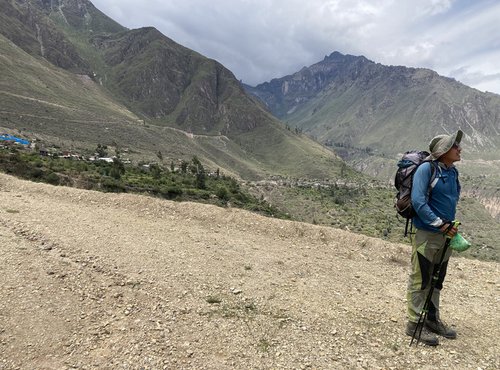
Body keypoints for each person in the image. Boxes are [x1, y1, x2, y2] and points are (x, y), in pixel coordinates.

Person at [405, 129, 463, 346]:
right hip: (427, 235)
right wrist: (440, 224)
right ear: (444, 151)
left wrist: (449, 226)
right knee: (421, 279)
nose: (459, 149)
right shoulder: (425, 170)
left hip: (446, 234)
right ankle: (413, 323)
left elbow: (453, 197)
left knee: (437, 279)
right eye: (455, 146)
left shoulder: (452, 172)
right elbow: (418, 202)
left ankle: (431, 318)